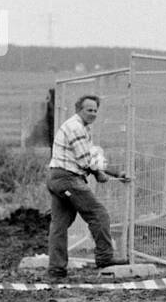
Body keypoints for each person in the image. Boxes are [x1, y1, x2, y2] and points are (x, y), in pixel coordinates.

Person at [46, 94, 132, 279]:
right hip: (68, 178)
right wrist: (99, 173)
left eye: (95, 110)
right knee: (98, 214)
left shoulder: (80, 127)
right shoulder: (76, 128)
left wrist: (115, 173)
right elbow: (86, 160)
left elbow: (91, 156)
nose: (93, 113)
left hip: (56, 178)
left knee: (59, 225)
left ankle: (56, 268)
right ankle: (104, 258)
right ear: (79, 109)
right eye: (89, 110)